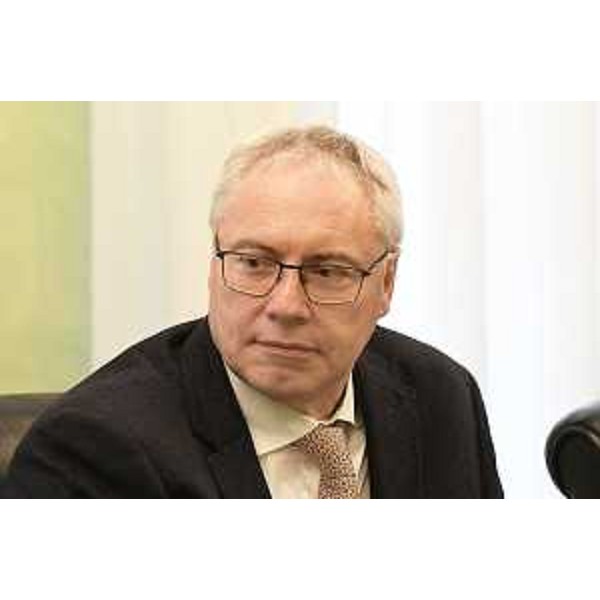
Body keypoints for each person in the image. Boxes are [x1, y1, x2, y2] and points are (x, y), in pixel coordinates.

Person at [1, 125, 503, 498]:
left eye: (327, 271)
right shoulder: (94, 450)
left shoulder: (441, 397)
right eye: (254, 263)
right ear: (215, 260)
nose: (285, 305)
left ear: (386, 283)